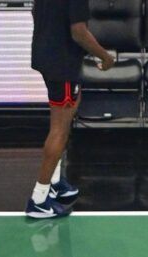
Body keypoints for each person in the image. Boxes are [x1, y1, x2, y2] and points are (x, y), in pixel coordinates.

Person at [27, 0, 115, 220]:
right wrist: (105, 56)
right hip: (62, 64)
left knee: (67, 114)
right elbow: (79, 32)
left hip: (47, 58)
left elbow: (34, 11)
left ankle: (55, 183)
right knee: (60, 129)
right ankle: (38, 199)